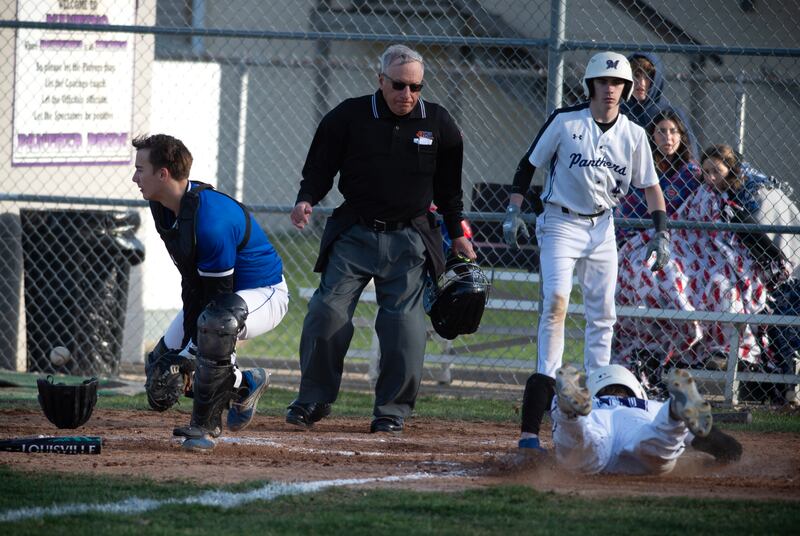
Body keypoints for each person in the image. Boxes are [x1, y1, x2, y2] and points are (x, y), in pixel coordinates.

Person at [287, 44, 475, 434]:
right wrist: (306, 199)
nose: (407, 95)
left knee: (402, 327)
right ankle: (314, 398)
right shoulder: (349, 116)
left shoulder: (437, 122)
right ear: (380, 81)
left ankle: (392, 410)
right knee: (327, 312)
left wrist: (457, 234)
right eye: (399, 85)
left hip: (409, 238)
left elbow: (449, 191)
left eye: (415, 87)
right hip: (355, 232)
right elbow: (320, 166)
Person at [502, 51, 670, 452]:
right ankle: (541, 397)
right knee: (556, 306)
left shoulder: (633, 133)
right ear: (591, 86)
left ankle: (594, 402)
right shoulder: (566, 121)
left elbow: (651, 188)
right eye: (603, 82)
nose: (610, 89)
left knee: (603, 314)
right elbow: (528, 165)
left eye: (618, 84)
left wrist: (660, 232)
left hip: (602, 226)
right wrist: (514, 208)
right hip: (561, 221)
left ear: (626, 90)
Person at [133, 134, 289, 451]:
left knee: (213, 330)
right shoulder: (162, 206)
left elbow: (218, 303)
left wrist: (191, 353)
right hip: (220, 303)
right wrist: (182, 355)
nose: (135, 177)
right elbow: (193, 285)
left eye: (140, 169)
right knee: (161, 374)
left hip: (264, 294)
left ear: (163, 174)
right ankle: (244, 384)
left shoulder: (210, 222)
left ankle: (204, 428)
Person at [614, 144, 795, 376]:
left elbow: (743, 235)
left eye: (716, 171)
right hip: (688, 247)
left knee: (723, 290)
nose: (710, 177)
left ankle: (724, 350)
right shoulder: (698, 192)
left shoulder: (737, 200)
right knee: (658, 273)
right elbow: (685, 220)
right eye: (706, 171)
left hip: (721, 255)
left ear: (729, 170)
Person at [550, 364, 742, 474]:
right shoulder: (652, 406)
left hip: (598, 427)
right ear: (637, 390)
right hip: (639, 429)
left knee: (579, 440)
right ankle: (674, 412)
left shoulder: (594, 405)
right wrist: (727, 451)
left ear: (591, 392)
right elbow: (727, 447)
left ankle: (568, 412)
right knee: (660, 438)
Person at [616, 108, 702, 244]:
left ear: (681, 136)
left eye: (673, 131)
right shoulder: (640, 167)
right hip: (634, 236)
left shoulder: (691, 173)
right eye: (661, 131)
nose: (667, 137)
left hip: (679, 238)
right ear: (652, 136)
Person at [620, 52, 699, 158]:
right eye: (636, 76)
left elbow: (691, 155)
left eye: (648, 77)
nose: (641, 83)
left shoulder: (671, 113)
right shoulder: (618, 112)